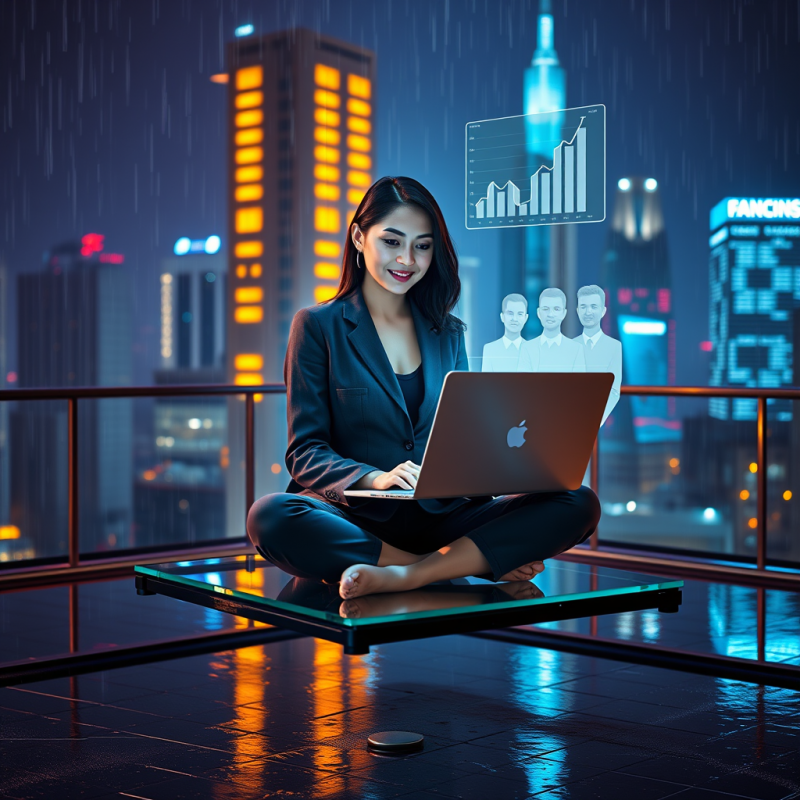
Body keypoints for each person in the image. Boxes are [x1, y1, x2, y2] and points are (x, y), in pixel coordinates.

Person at [246, 176, 600, 600]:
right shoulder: (318, 326)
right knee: (270, 516)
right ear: (359, 238)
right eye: (392, 242)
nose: (407, 259)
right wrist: (374, 478)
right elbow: (305, 451)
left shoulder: (447, 333)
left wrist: (501, 468)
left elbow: (466, 434)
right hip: (359, 515)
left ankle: (404, 573)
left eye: (423, 245)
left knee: (578, 502)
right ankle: (439, 565)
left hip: (443, 512)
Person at [573, 284, 622, 424]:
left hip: (597, 421)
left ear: (603, 311)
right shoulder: (570, 346)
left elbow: (614, 391)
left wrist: (595, 420)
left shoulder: (614, 346)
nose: (588, 312)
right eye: (583, 307)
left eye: (593, 307)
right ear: (577, 311)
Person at [519, 287, 587, 373]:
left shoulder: (576, 349)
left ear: (564, 313)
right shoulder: (527, 348)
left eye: (556, 309)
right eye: (545, 309)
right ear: (539, 313)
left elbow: (580, 384)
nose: (550, 314)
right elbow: (522, 384)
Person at [481, 293, 529, 372]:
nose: (515, 319)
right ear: (502, 317)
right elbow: (485, 381)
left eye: (520, 314)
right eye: (510, 313)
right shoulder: (490, 349)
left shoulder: (532, 350)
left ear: (525, 318)